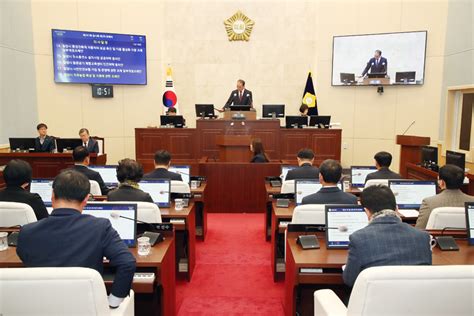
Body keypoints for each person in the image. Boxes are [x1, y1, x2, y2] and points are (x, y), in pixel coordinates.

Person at [16, 170, 136, 308]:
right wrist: (112, 303)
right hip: (86, 307)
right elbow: (127, 263)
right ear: (86, 199)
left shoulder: (26, 232)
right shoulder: (100, 227)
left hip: (39, 307)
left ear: (52, 195)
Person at [343, 185, 432, 287]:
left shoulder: (358, 239)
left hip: (375, 301)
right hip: (414, 300)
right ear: (396, 208)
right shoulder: (423, 237)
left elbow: (350, 281)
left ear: (366, 212)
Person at [416, 164, 474, 229]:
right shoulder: (472, 201)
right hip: (465, 239)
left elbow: (420, 230)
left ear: (442, 183)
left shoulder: (429, 202)